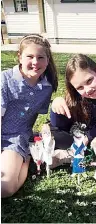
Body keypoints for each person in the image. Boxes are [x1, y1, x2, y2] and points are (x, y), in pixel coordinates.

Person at [1, 34, 58, 198]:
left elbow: (32, 117)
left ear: (47, 61)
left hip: (15, 138)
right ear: (19, 57)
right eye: (30, 56)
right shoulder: (5, 79)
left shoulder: (46, 88)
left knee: (5, 189)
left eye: (41, 57)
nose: (35, 62)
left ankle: (26, 159)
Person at [50, 54, 96, 165]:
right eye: (80, 87)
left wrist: (87, 137)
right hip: (76, 132)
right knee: (53, 135)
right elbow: (59, 125)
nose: (87, 89)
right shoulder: (74, 96)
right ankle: (79, 151)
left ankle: (73, 153)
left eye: (89, 81)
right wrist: (55, 106)